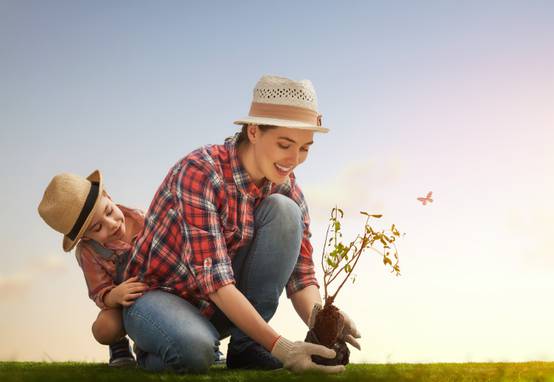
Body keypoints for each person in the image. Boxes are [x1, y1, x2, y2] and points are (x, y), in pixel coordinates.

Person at [123, 75, 361, 374]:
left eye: (305, 148)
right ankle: (154, 348)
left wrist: (323, 318)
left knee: (286, 211)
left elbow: (301, 276)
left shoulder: (288, 190)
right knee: (195, 353)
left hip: (217, 310)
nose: (295, 159)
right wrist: (283, 348)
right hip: (156, 298)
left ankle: (247, 348)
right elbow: (216, 283)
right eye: (285, 144)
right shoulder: (200, 172)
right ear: (253, 131)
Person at [38, 170, 147, 367]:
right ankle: (119, 345)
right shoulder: (89, 252)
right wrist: (115, 296)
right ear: (86, 237)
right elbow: (99, 292)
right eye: (98, 228)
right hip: (120, 302)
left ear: (108, 196)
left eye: (109, 211)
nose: (112, 224)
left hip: (157, 290)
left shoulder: (143, 220)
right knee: (104, 329)